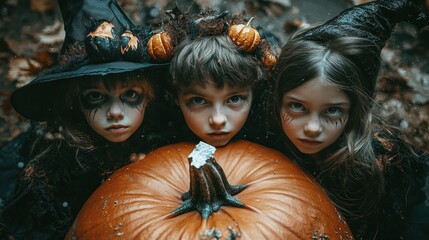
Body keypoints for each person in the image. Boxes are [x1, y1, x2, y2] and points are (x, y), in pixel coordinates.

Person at [0, 0, 169, 239]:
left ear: (149, 96)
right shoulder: (57, 170)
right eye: (96, 98)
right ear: (76, 102)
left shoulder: (164, 134)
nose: (115, 112)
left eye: (130, 95)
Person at [271, 0, 429, 239]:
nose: (313, 128)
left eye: (333, 111)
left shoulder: (379, 166)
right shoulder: (265, 130)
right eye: (297, 106)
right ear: (277, 99)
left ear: (355, 109)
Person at [162, 6, 280, 147]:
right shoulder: (159, 137)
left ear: (253, 93)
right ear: (175, 98)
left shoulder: (273, 134)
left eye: (234, 99)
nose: (218, 120)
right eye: (198, 100)